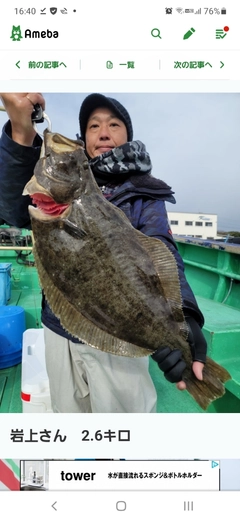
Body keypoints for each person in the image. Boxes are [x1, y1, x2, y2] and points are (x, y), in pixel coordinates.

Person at [0, 92, 207, 413]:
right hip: (58, 329)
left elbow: (162, 251)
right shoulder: (63, 188)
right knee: (69, 422)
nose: (104, 131)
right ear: (85, 137)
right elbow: (15, 211)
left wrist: (186, 319)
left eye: (114, 123)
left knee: (125, 434)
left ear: (128, 134)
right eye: (94, 125)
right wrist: (21, 131)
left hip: (119, 341)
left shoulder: (144, 191)